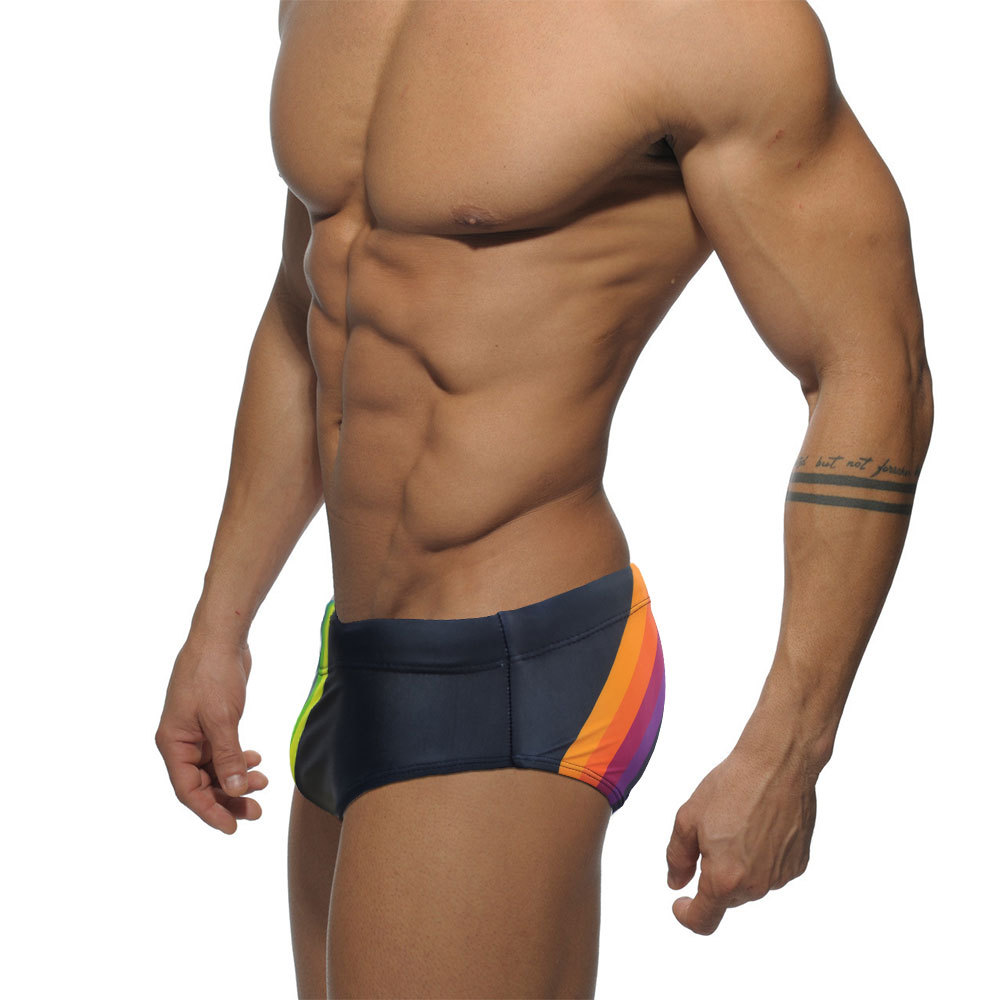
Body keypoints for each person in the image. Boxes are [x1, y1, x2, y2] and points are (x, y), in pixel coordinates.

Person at [155, 1, 934, 997]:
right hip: (356, 650)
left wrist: (790, 748)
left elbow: (874, 368)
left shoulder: (700, 21)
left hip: (518, 654)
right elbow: (309, 301)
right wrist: (218, 627)